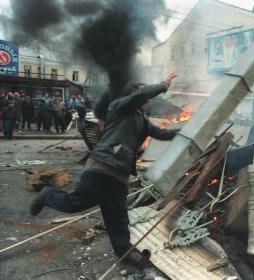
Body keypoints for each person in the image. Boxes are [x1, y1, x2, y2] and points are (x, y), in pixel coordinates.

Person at [30, 73, 178, 265]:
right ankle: (46, 194)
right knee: (73, 204)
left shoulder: (141, 119)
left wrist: (185, 131)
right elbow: (138, 97)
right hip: (101, 169)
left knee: (117, 217)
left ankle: (124, 252)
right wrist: (163, 85)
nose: (148, 99)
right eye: (144, 94)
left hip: (119, 176)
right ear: (133, 95)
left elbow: (162, 133)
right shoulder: (120, 107)